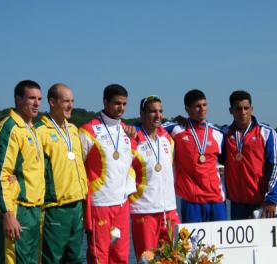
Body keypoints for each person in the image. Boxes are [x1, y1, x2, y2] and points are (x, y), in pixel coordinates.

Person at [79, 84, 136, 264]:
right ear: (105, 102)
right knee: (99, 255)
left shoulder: (127, 131)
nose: (121, 108)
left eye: (124, 104)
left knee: (120, 255)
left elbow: (129, 165)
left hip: (121, 203)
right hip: (99, 203)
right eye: (117, 103)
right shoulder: (88, 130)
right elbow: (78, 168)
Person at [0, 80, 45, 264]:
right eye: (31, 98)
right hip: (16, 211)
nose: (36, 103)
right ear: (18, 100)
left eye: (39, 99)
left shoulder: (31, 128)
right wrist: (7, 215)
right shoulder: (9, 128)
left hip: (34, 210)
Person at [36, 83, 88, 264]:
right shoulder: (39, 132)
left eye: (72, 101)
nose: (70, 105)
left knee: (75, 259)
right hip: (54, 208)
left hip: (77, 206)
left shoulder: (73, 130)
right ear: (52, 102)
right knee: (52, 259)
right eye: (66, 101)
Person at [129, 95, 180, 261]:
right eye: (152, 111)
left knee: (174, 258)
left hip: (169, 210)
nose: (158, 115)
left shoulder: (167, 139)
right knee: (147, 260)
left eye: (160, 111)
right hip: (144, 211)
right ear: (142, 113)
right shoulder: (132, 140)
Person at [164, 89, 226, 223]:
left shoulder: (218, 133)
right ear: (187, 109)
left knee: (219, 244)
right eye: (197, 106)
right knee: (192, 244)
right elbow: (150, 128)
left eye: (204, 105)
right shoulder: (177, 129)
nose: (202, 109)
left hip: (216, 199)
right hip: (192, 201)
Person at [223, 90, 277, 220]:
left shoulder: (267, 133)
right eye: (238, 109)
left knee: (265, 240)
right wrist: (184, 121)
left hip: (262, 203)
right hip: (237, 204)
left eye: (246, 108)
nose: (243, 112)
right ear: (231, 110)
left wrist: (272, 199)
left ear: (252, 109)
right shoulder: (224, 134)